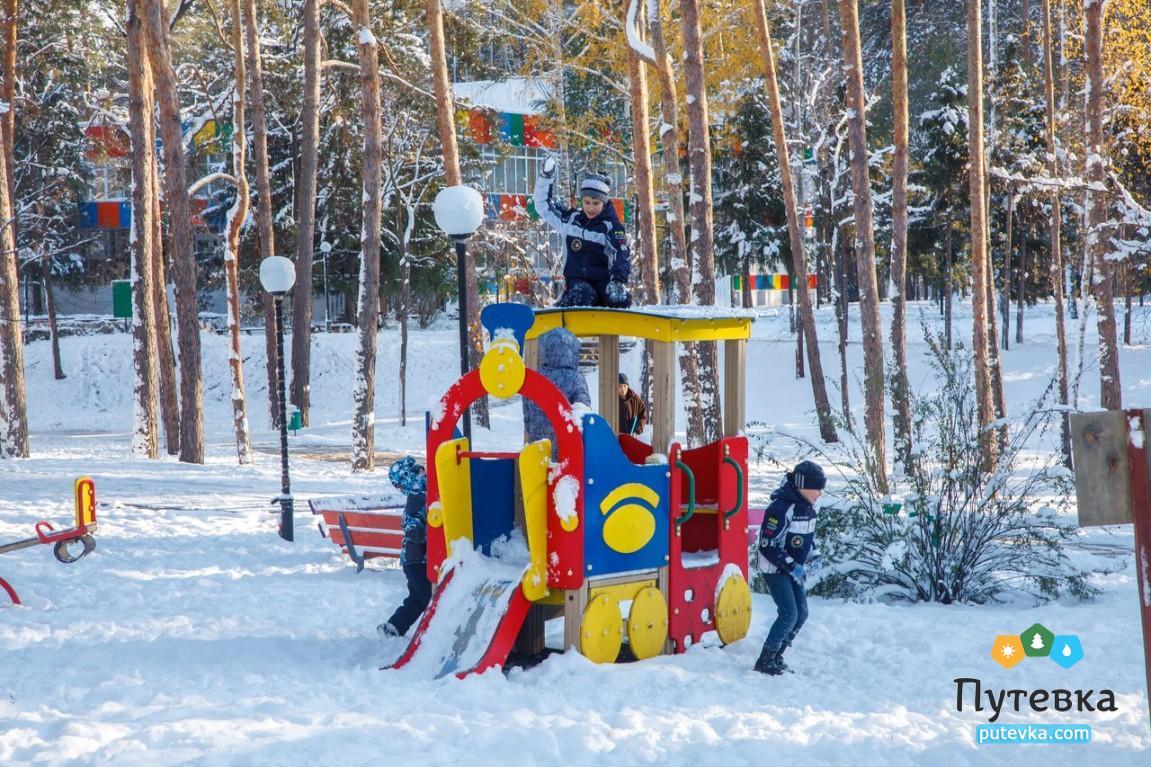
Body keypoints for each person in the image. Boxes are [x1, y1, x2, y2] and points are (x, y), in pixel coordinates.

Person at [752, 460, 826, 675]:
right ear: (803, 486)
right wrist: (791, 566)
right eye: (817, 488)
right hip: (775, 569)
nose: (820, 494)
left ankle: (778, 655)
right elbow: (768, 545)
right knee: (789, 614)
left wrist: (814, 555)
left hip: (793, 569)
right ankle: (765, 660)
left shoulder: (808, 508)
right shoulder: (781, 508)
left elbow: (807, 538)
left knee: (801, 613)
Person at [533, 157, 632, 308]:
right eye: (587, 203)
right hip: (577, 283)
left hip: (602, 282)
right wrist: (546, 177)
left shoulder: (611, 227)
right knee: (583, 294)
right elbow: (542, 206)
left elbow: (621, 255)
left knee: (621, 298)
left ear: (604, 203)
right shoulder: (571, 221)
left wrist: (618, 281)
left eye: (596, 203)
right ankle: (564, 315)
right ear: (582, 201)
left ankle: (612, 327)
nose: (591, 208)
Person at [378, 456, 431, 638]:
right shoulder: (421, 493)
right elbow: (412, 527)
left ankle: (394, 627)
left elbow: (412, 524)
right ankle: (431, 633)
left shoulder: (418, 494)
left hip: (414, 559)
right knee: (426, 597)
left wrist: (420, 532)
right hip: (417, 559)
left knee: (418, 598)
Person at [524, 328, 591, 447]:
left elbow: (527, 416)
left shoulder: (535, 379)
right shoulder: (576, 378)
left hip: (538, 448)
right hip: (567, 448)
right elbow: (582, 413)